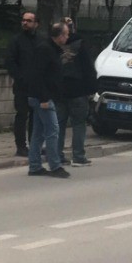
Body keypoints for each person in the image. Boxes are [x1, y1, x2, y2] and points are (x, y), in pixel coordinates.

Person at [19, 23, 70, 178]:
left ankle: (35, 165)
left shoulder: (51, 49)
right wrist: (44, 98)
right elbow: (37, 75)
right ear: (60, 36)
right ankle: (55, 165)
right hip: (43, 98)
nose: (67, 37)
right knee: (53, 131)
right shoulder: (45, 50)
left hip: (43, 96)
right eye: (66, 34)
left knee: (38, 132)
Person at [56, 18, 96, 166]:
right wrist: (92, 89)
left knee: (59, 124)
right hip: (78, 91)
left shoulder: (54, 45)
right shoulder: (80, 44)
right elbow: (88, 68)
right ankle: (78, 156)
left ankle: (57, 156)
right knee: (79, 124)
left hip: (59, 90)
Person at [5, 11, 44, 157]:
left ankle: (35, 144)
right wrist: (20, 77)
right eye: (23, 20)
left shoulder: (40, 40)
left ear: (36, 24)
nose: (25, 23)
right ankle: (21, 146)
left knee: (36, 117)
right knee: (22, 115)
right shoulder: (16, 41)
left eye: (29, 21)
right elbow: (10, 61)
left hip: (37, 86)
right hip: (22, 86)